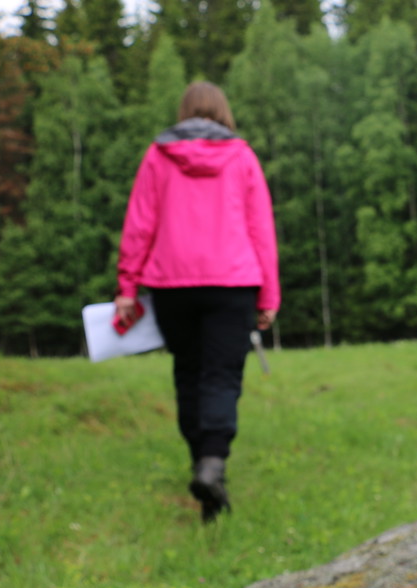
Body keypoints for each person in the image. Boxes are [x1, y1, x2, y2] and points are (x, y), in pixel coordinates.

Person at [114, 81, 280, 523]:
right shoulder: (242, 157)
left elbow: (139, 225)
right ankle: (212, 464)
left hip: (171, 284)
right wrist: (269, 295)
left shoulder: (157, 155)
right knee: (222, 376)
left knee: (188, 373)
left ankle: (201, 467)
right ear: (224, 111)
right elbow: (260, 228)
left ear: (183, 110)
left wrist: (127, 287)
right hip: (232, 283)